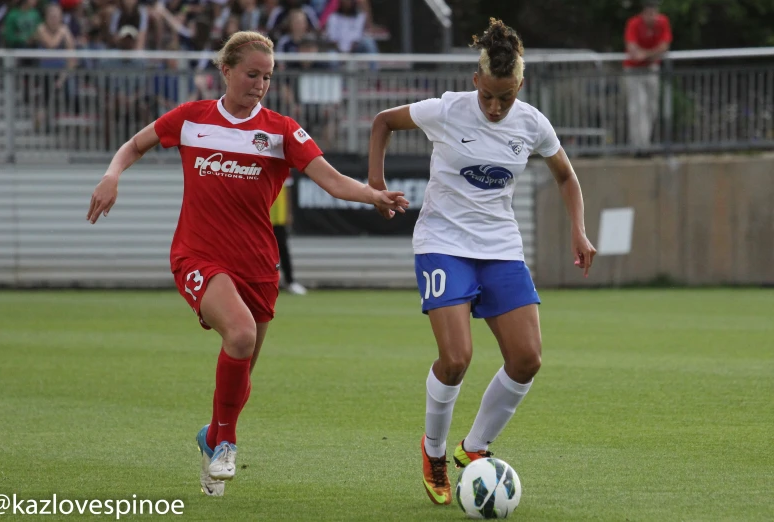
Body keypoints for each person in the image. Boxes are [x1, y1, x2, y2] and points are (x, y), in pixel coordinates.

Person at [86, 30, 408, 497]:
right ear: (227, 70)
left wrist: (372, 194)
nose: (260, 84)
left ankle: (213, 436)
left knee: (242, 374)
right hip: (197, 255)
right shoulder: (191, 119)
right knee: (240, 334)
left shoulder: (280, 130)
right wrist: (111, 176)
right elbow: (134, 145)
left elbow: (333, 181)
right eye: (252, 74)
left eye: (268, 77)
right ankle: (227, 445)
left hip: (257, 266)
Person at [367, 18, 596, 506]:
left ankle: (475, 449)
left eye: (506, 97)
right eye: (489, 95)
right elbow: (382, 121)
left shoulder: (532, 123)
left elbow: (567, 177)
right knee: (456, 360)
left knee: (527, 357)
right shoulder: (447, 110)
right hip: (443, 242)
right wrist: (374, 187)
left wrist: (578, 228)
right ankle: (433, 451)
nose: (495, 107)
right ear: (476, 82)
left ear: (520, 86)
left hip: (499, 248)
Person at [623, 0, 672, 156]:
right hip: (634, 70)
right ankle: (639, 147)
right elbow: (632, 49)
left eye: (655, 11)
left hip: (651, 68)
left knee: (652, 108)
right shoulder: (634, 23)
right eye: (649, 11)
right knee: (637, 108)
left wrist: (646, 54)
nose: (652, 15)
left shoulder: (662, 22)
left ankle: (646, 143)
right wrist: (649, 54)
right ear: (643, 12)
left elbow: (664, 46)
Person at [270, 173, 308, 295]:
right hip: (260, 215)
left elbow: (287, 192)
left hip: (278, 216)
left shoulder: (284, 167)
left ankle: (290, 281)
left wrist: (288, 213)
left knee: (283, 248)